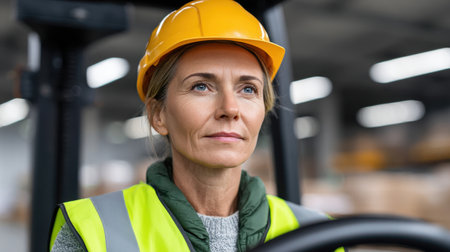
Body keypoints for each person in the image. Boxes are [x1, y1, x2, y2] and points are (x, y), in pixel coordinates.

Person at [49, 0, 340, 251]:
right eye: (201, 86)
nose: (230, 109)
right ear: (158, 114)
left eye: (248, 89)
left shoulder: (318, 233)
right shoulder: (92, 232)